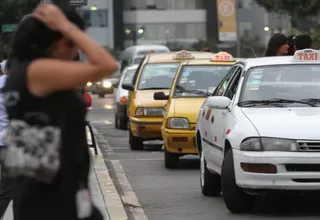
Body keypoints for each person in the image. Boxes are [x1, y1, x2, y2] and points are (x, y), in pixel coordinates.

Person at [3, 3, 118, 220]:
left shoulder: (27, 72)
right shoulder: (36, 71)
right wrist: (65, 25)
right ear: (54, 43)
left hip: (57, 191)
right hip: (47, 198)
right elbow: (106, 65)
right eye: (71, 43)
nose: (76, 51)